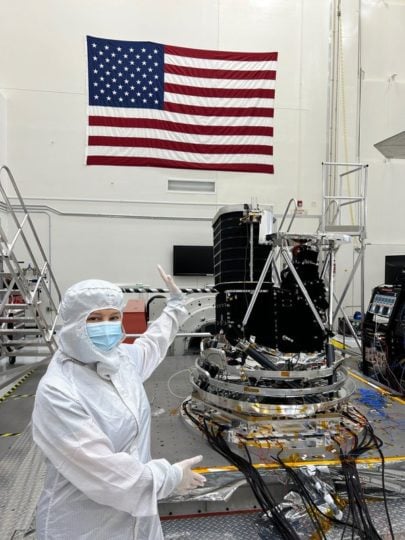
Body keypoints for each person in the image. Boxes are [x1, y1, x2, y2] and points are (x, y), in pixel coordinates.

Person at [32, 266, 206, 540]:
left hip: (137, 520)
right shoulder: (58, 390)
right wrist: (169, 478)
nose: (108, 325)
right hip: (83, 525)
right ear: (75, 323)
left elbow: (153, 344)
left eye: (114, 317)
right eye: (96, 318)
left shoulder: (120, 360)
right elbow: (107, 475)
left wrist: (175, 306)